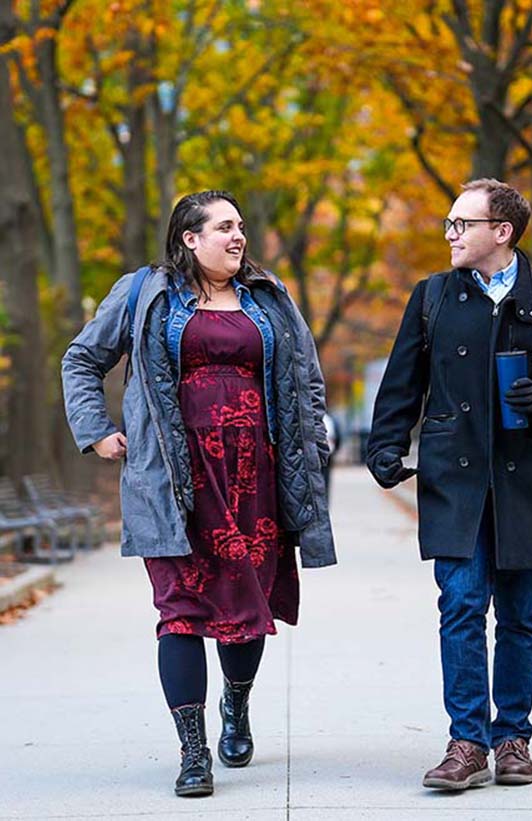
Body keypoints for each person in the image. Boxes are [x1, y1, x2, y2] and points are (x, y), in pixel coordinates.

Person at [62, 190, 336, 797]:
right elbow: (81, 359)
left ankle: (235, 709)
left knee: (247, 605)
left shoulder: (269, 297)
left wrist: (312, 443)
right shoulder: (145, 292)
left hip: (257, 476)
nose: (238, 237)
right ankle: (192, 751)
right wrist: (97, 430)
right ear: (190, 237)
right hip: (172, 478)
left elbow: (306, 378)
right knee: (179, 609)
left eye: (241, 227)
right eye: (224, 227)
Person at [367, 179, 532, 791]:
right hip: (454, 479)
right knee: (462, 606)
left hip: (527, 482)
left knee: (520, 615)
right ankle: (467, 742)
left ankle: (513, 738)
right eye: (448, 223)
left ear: (501, 231)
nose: (449, 233)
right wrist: (385, 445)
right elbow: (402, 384)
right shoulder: (431, 298)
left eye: (460, 223)